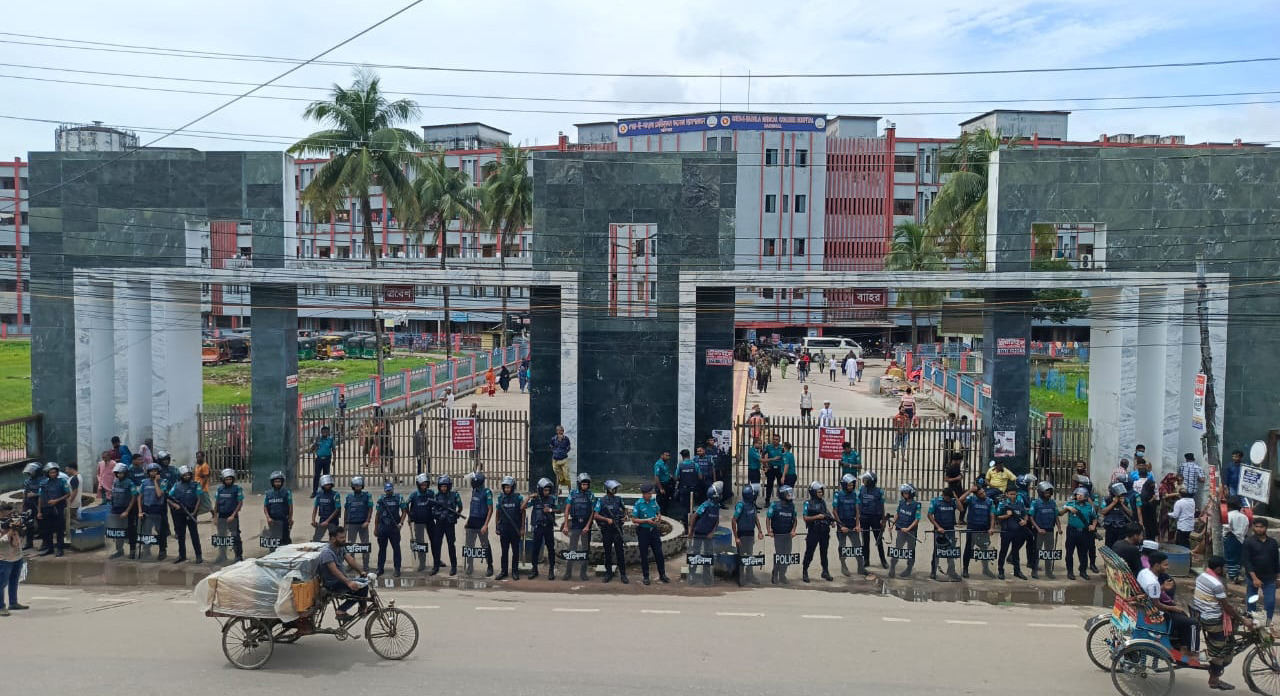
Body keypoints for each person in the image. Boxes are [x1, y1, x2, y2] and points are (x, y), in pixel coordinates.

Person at [1195, 555, 1254, 690]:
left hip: (1204, 613)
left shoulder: (1202, 576)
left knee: (1228, 641)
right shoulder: (1216, 584)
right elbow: (1226, 606)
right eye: (1223, 568)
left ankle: (1216, 668)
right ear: (1218, 569)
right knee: (1221, 651)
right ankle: (1214, 679)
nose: (1225, 570)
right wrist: (1243, 620)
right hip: (1212, 619)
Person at [1138, 552, 1194, 650]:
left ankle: (1180, 644)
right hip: (1154, 612)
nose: (1167, 567)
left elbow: (1150, 593)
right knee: (1192, 623)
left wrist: (1162, 588)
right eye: (1165, 564)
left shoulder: (1144, 572)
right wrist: (1174, 608)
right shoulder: (1153, 582)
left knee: (1183, 616)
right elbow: (1157, 604)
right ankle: (1191, 651)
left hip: (1147, 605)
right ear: (1156, 565)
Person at [318, 526, 371, 623]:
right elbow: (334, 571)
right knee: (361, 586)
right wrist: (349, 582)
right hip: (332, 583)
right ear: (333, 539)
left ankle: (361, 608)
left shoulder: (340, 548)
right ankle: (342, 610)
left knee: (362, 586)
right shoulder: (327, 552)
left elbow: (350, 560)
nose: (344, 540)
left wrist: (361, 571)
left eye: (344, 537)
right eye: (341, 538)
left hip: (340, 580)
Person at [562, 472, 596, 582]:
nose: (585, 486)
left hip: (586, 525)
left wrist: (587, 525)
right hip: (575, 524)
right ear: (579, 484)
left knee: (585, 549)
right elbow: (567, 509)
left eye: (586, 484)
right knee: (572, 548)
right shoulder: (572, 494)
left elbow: (593, 512)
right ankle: (568, 572)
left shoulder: (591, 495)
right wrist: (566, 525)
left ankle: (583, 573)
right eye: (583, 484)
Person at [1244, 517, 1279, 623]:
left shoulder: (1272, 542)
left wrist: (1278, 577)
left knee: (1270, 602)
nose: (1259, 529)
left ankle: (1267, 624)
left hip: (1269, 578)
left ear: (1266, 528)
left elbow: (1276, 560)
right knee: (1251, 601)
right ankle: (1252, 623)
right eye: (1256, 526)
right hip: (1253, 577)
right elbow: (1247, 561)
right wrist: (1254, 578)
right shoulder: (1249, 542)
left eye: (1261, 527)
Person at [633, 484, 668, 585]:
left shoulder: (653, 502)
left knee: (659, 554)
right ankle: (646, 576)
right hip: (643, 532)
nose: (650, 495)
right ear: (643, 494)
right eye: (648, 493)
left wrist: (658, 517)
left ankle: (662, 575)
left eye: (651, 493)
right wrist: (646, 521)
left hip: (654, 531)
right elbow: (634, 519)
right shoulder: (638, 504)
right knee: (644, 555)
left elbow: (658, 512)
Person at [594, 480, 629, 584]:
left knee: (620, 552)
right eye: (613, 488)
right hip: (607, 530)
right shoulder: (602, 501)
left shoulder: (619, 499)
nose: (615, 490)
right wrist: (606, 520)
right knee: (607, 552)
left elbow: (624, 509)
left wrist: (625, 516)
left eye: (615, 488)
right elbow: (596, 515)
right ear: (608, 489)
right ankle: (608, 573)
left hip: (617, 528)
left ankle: (623, 574)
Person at [167, 465, 203, 564]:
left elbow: (199, 499)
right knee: (181, 535)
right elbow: (168, 497)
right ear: (180, 476)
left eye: (188, 474)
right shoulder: (176, 485)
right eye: (184, 475)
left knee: (194, 534)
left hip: (191, 511)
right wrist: (175, 505)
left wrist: (194, 512)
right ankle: (182, 555)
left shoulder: (196, 484)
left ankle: (198, 555)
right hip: (179, 513)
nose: (187, 476)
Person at [959, 480, 995, 579]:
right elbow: (960, 500)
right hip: (972, 528)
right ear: (976, 495)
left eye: (983, 492)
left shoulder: (989, 501)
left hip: (984, 529)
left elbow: (992, 516)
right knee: (968, 549)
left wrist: (991, 528)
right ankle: (965, 569)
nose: (983, 494)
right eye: (981, 493)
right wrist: (970, 490)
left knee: (985, 550)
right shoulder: (971, 499)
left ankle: (986, 569)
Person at [1060, 487, 1097, 580]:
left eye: (1081, 495)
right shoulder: (1070, 504)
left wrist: (1093, 526)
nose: (1079, 496)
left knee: (1083, 553)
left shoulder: (1089, 507)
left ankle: (1083, 571)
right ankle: (1070, 572)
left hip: (1084, 533)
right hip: (1072, 532)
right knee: (1069, 553)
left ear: (1086, 497)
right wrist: (1067, 507)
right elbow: (1059, 513)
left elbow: (1094, 518)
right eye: (1078, 494)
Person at [462, 472, 494, 578]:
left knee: (485, 544)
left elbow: (490, 510)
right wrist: (468, 520)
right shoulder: (474, 491)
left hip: (481, 522)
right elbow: (473, 506)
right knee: (469, 544)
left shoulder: (487, 492)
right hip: (472, 521)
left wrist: (485, 525)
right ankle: (470, 565)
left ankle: (490, 566)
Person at [430, 475, 462, 576]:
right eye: (442, 486)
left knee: (451, 544)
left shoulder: (455, 495)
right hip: (439, 523)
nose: (443, 488)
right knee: (437, 544)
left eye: (445, 486)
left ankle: (454, 566)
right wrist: (439, 515)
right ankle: (436, 566)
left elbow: (460, 507)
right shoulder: (436, 496)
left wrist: (454, 516)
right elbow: (433, 509)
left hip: (449, 523)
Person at [802, 481, 834, 582]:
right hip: (813, 532)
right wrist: (817, 517)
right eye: (818, 492)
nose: (821, 494)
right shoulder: (808, 503)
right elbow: (805, 518)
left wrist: (831, 521)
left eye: (821, 492)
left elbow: (827, 513)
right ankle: (805, 571)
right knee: (809, 552)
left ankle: (825, 571)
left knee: (824, 552)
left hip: (824, 531)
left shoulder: (823, 502)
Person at [733, 483, 764, 586]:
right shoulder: (740, 505)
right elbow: (734, 521)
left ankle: (750, 576)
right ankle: (740, 577)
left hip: (751, 533)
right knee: (742, 556)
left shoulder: (752, 505)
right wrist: (736, 537)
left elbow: (755, 518)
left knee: (749, 555)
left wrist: (760, 531)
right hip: (742, 534)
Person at [833, 473, 864, 577]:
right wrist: (841, 526)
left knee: (857, 546)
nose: (851, 487)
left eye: (852, 485)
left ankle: (861, 567)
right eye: (849, 485)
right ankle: (843, 565)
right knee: (842, 546)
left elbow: (857, 511)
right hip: (842, 523)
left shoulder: (855, 494)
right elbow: (834, 511)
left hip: (852, 523)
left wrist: (857, 525)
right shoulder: (838, 495)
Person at [995, 485, 1029, 580]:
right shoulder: (1003, 504)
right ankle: (1001, 571)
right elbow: (997, 517)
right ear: (1006, 494)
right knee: (1003, 551)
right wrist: (1006, 515)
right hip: (1006, 531)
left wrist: (1025, 521)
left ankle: (1017, 571)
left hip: (1018, 531)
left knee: (1015, 552)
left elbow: (1025, 514)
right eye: (1011, 494)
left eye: (1014, 494)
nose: (1013, 496)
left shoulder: (1020, 503)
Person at [928, 486, 961, 581]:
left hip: (950, 530)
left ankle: (952, 571)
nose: (948, 499)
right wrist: (938, 527)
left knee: (951, 551)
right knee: (937, 551)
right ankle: (933, 571)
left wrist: (956, 497)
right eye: (947, 498)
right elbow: (929, 515)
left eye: (950, 498)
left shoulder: (953, 501)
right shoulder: (935, 501)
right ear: (943, 495)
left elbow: (961, 509)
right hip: (939, 530)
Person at [0, 503, 28, 615]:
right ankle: (1, 606)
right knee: (1, 584)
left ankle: (13, 602)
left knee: (14, 581)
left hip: (17, 556)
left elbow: (22, 535)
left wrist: (21, 528)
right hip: (4, 558)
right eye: (8, 514)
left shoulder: (12, 521)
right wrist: (10, 532)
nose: (10, 515)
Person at [494, 476, 524, 581]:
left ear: (513, 487)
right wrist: (496, 527)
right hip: (504, 529)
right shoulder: (500, 498)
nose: (507, 489)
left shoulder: (518, 498)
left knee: (515, 551)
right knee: (504, 551)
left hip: (515, 529)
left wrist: (522, 528)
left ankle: (515, 571)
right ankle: (504, 571)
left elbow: (523, 513)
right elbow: (497, 513)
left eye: (509, 487)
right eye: (505, 487)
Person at [36, 462, 69, 557]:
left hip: (58, 508)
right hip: (46, 509)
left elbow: (68, 494)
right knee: (47, 530)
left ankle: (60, 549)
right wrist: (39, 511)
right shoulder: (43, 483)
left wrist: (56, 500)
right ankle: (50, 548)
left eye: (54, 472)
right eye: (51, 472)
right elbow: (40, 498)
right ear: (47, 473)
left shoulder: (62, 481)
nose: (53, 474)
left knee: (59, 530)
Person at [889, 483, 921, 579]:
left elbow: (917, 519)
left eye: (906, 493)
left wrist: (908, 529)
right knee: (897, 549)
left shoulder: (917, 505)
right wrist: (892, 524)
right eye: (903, 493)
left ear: (911, 493)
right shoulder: (901, 503)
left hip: (911, 532)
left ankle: (909, 568)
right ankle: (892, 567)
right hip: (901, 531)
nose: (904, 495)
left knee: (910, 550)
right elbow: (897, 514)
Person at [374, 481, 406, 578]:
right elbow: (377, 514)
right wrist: (376, 528)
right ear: (384, 490)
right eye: (387, 490)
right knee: (382, 549)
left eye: (390, 490)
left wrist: (401, 523)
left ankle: (397, 569)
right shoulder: (381, 499)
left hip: (394, 528)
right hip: (383, 528)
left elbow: (404, 512)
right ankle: (380, 568)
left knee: (396, 549)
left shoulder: (399, 498)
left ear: (393, 489)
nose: (389, 492)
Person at [1029, 481, 1060, 580]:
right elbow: (1031, 518)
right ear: (1040, 492)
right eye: (1046, 492)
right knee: (1037, 551)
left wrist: (1059, 528)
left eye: (1049, 492)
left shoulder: (1053, 503)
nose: (1048, 495)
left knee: (1049, 552)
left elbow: (1056, 517)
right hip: (1039, 531)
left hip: (1050, 530)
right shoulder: (1035, 503)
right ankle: (1034, 571)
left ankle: (1048, 571)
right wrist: (1038, 529)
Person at [767, 485, 798, 584]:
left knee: (787, 556)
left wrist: (793, 530)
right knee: (780, 556)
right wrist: (769, 531)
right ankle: (775, 574)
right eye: (788, 494)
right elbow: (768, 518)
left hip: (788, 535)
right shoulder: (774, 505)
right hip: (778, 535)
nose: (790, 495)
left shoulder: (792, 506)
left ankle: (782, 574)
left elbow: (795, 520)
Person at [213, 469, 244, 564]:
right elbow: (217, 503)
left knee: (235, 536)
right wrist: (215, 516)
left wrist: (233, 515)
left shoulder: (237, 489)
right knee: (222, 536)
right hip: (222, 515)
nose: (229, 481)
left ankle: (238, 555)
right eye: (227, 479)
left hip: (232, 515)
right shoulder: (220, 489)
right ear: (223, 479)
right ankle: (222, 555)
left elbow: (240, 503)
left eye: (230, 479)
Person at [138, 463, 168, 561]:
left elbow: (159, 494)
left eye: (155, 471)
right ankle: (146, 550)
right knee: (146, 531)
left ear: (158, 472)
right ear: (148, 472)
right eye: (151, 471)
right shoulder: (144, 482)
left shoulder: (163, 482)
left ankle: (162, 550)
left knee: (160, 531)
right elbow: (139, 497)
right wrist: (140, 511)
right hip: (147, 509)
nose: (153, 472)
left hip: (158, 510)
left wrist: (156, 481)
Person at [858, 471, 888, 568]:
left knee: (878, 540)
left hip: (875, 518)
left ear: (871, 481)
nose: (863, 481)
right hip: (864, 518)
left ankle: (883, 560)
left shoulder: (879, 491)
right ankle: (866, 560)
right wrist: (858, 516)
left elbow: (882, 505)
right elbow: (858, 503)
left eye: (866, 479)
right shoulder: (861, 489)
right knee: (865, 540)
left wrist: (883, 520)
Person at [406, 474, 435, 572]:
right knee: (420, 542)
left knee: (434, 541)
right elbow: (406, 504)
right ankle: (422, 562)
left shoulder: (431, 493)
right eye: (422, 485)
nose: (424, 487)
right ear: (418, 485)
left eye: (426, 485)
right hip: (418, 522)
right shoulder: (413, 495)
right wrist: (410, 516)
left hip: (429, 521)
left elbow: (436, 503)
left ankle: (437, 560)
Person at [343, 477, 374, 570]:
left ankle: (366, 565)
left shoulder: (367, 496)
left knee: (365, 545)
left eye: (359, 486)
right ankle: (351, 564)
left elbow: (370, 509)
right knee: (351, 546)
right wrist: (345, 524)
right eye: (356, 486)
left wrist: (367, 521)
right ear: (352, 486)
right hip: (352, 524)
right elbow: (346, 510)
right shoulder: (349, 497)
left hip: (363, 524)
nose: (357, 488)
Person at [263, 470, 293, 547]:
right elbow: (265, 507)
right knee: (273, 539)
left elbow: (290, 506)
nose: (277, 483)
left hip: (284, 520)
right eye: (275, 482)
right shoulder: (268, 493)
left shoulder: (287, 493)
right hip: (273, 520)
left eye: (279, 481)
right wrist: (268, 518)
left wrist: (290, 519)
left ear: (282, 482)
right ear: (272, 482)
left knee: (285, 539)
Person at [1101, 482, 1135, 549]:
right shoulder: (1106, 499)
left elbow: (1131, 513)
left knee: (1121, 547)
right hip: (1110, 527)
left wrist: (1123, 504)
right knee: (1109, 547)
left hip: (1122, 527)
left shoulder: (1125, 500)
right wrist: (1113, 503)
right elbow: (1103, 511)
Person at [312, 474, 342, 543]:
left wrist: (327, 521)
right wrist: (313, 520)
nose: (327, 486)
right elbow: (315, 507)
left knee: (334, 539)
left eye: (329, 484)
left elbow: (337, 509)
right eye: (325, 484)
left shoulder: (336, 495)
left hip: (333, 521)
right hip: (322, 519)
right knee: (316, 539)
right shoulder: (319, 494)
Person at [1224, 495, 1249, 582]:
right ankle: (1236, 575)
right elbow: (1246, 530)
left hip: (1231, 538)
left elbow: (1226, 528)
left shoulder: (1228, 515)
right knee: (1238, 558)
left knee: (1229, 558)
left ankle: (1231, 576)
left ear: (1229, 506)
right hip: (1241, 539)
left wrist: (1223, 536)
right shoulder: (1245, 517)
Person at [308, 426, 335, 496]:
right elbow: (313, 448)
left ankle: (326, 491)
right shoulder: (318, 439)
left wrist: (334, 459)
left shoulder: (331, 439)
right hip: (319, 459)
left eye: (326, 431)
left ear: (328, 432)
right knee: (316, 476)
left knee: (326, 476)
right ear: (321, 432)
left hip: (327, 459)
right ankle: (314, 491)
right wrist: (314, 444)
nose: (324, 433)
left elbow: (334, 450)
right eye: (323, 432)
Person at [19, 462, 40, 550]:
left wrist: (35, 495)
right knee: (28, 525)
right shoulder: (28, 481)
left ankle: (45, 544)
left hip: (39, 505)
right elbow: (25, 494)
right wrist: (23, 506)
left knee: (42, 524)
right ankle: (29, 543)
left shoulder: (43, 480)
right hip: (28, 505)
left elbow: (44, 493)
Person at [762, 435, 784, 505]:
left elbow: (785, 456)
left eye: (777, 439)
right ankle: (767, 500)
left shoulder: (782, 448)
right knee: (769, 485)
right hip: (771, 468)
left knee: (781, 485)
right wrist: (765, 465)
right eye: (774, 439)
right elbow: (763, 455)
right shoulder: (768, 447)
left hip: (780, 468)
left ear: (779, 440)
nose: (775, 441)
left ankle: (782, 500)